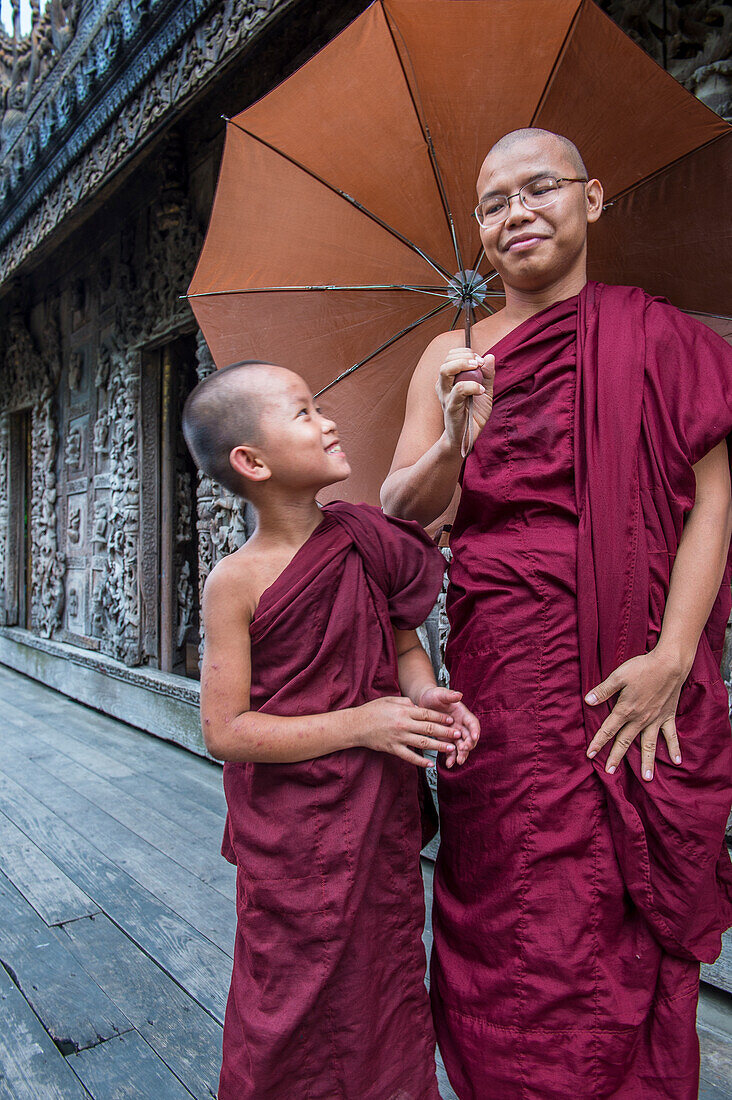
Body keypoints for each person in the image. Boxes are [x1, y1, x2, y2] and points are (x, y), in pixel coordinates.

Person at [381, 128, 732, 1099]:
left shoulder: (659, 336)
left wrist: (672, 654)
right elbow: (404, 511)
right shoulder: (447, 359)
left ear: (593, 197)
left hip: (640, 665)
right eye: (494, 203)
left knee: (622, 909)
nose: (517, 213)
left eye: (539, 188)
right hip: (511, 671)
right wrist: (456, 435)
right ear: (481, 234)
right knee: (516, 892)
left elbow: (714, 502)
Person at [182, 360, 480, 1100]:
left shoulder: (363, 538)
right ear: (252, 462)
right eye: (304, 412)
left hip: (375, 817)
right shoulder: (236, 580)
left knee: (381, 983)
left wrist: (427, 699)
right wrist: (365, 721)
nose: (329, 422)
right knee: (290, 999)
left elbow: (405, 644)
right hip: (296, 833)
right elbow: (226, 730)